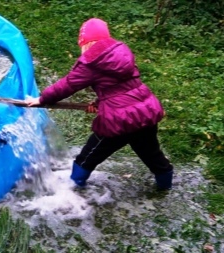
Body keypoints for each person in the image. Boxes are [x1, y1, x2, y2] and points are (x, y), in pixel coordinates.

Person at [25, 18, 174, 190]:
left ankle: (71, 191)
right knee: (152, 155)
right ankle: (165, 187)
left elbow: (68, 85)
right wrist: (100, 102)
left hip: (120, 120)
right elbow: (121, 88)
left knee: (87, 157)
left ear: (86, 42)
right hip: (145, 113)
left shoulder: (92, 61)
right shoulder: (121, 54)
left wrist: (42, 99)